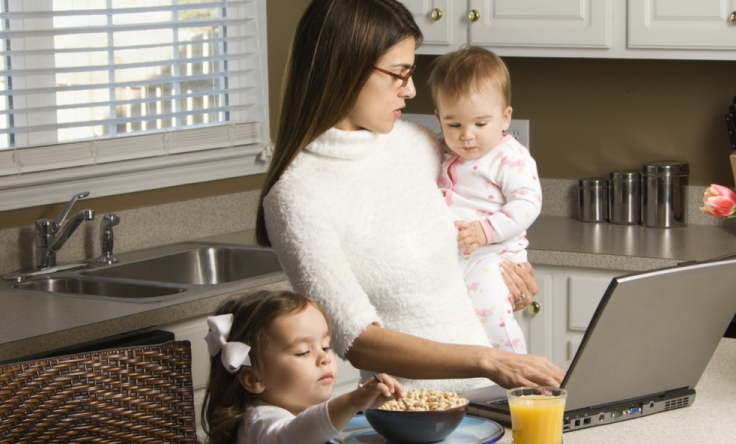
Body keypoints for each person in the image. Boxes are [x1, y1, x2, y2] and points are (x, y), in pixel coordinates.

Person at [255, 0, 564, 392]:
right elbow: (359, 341)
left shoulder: (419, 145)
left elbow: (462, 250)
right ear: (347, 70)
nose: (412, 89)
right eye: (399, 74)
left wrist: (508, 278)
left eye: (412, 73)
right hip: (412, 414)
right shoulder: (296, 196)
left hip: (493, 394)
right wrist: (487, 360)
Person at [430, 46, 541, 354]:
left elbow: (527, 203)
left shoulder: (509, 157)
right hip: (451, 258)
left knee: (491, 316)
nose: (467, 135)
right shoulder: (436, 150)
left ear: (505, 118)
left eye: (480, 123)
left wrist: (485, 231)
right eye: (454, 124)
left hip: (493, 256)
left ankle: (519, 372)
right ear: (439, 118)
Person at [201, 290, 405, 444]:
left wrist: (366, 403)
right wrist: (351, 402)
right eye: (303, 352)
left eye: (326, 347)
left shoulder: (296, 409)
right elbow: (294, 435)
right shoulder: (259, 422)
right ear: (254, 378)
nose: (325, 358)